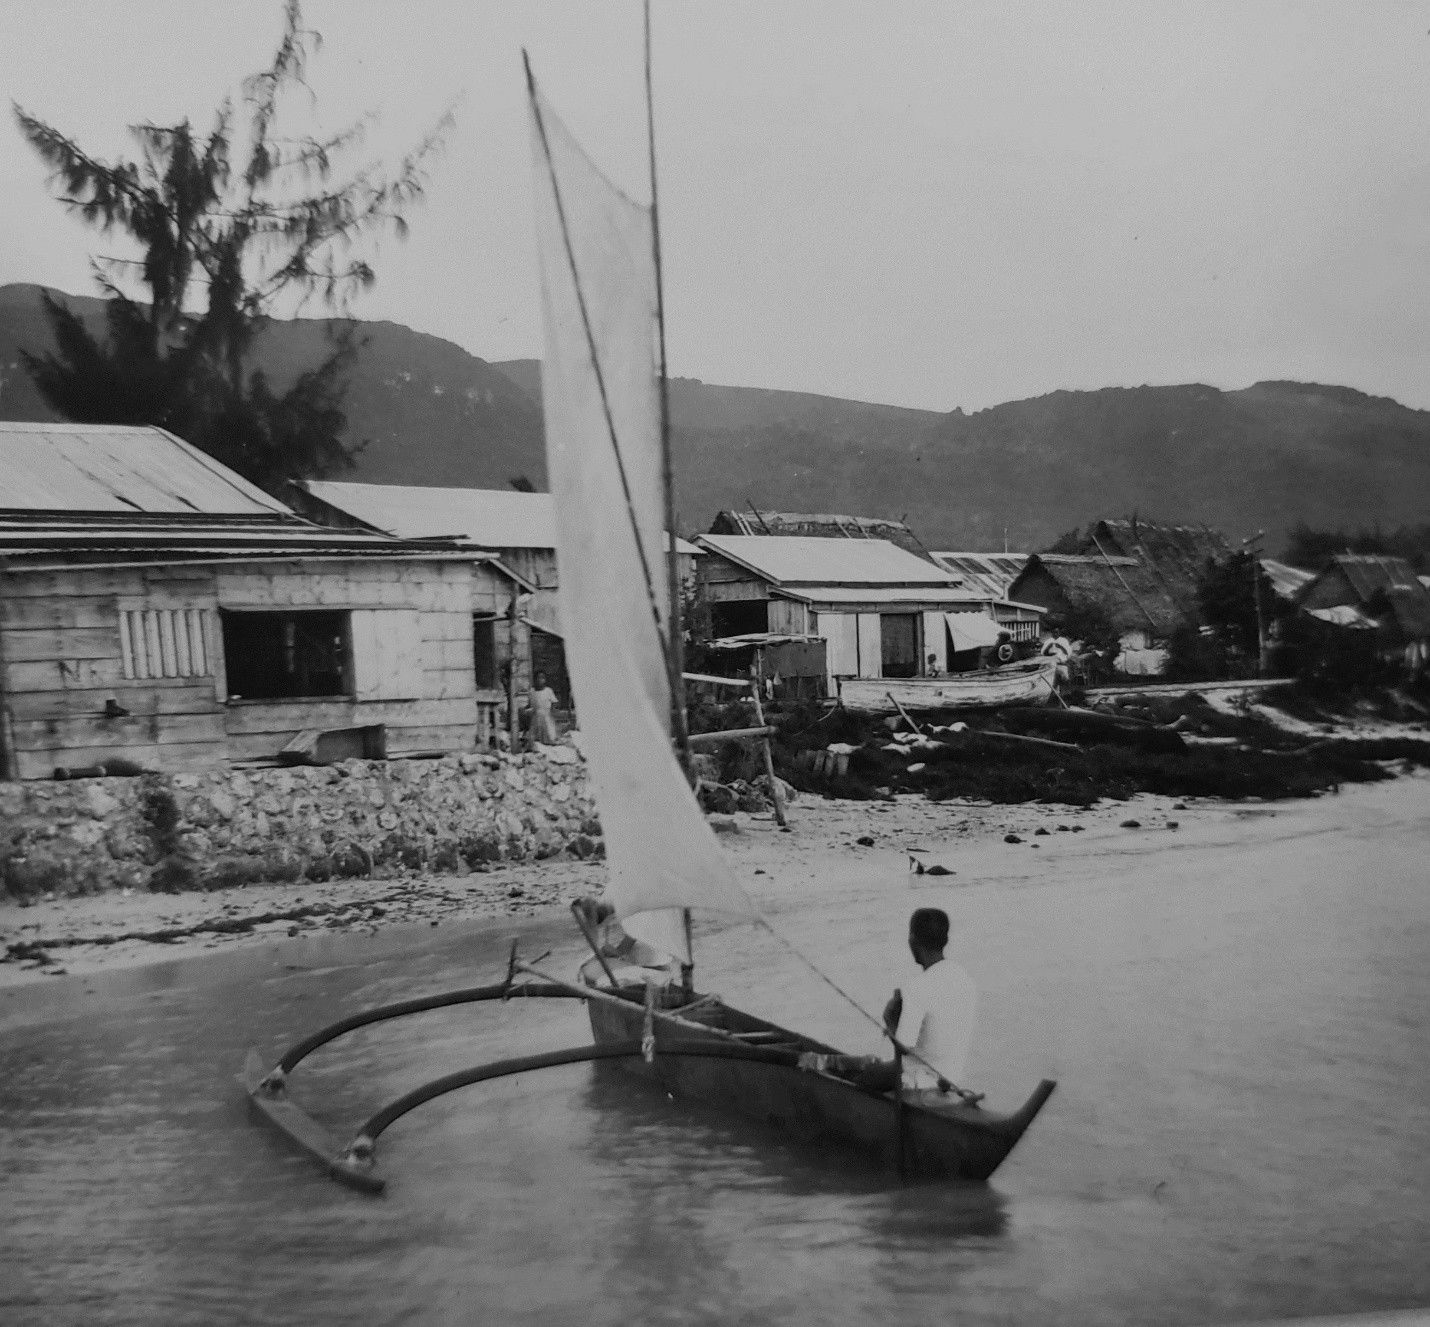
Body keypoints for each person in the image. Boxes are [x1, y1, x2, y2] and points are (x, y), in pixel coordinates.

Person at [882, 907, 977, 1099]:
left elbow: (904, 1048)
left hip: (915, 1085)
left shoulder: (916, 987)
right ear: (945, 940)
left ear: (912, 940)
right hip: (952, 1080)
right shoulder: (963, 978)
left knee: (865, 1076)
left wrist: (890, 1020)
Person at [572, 896, 680, 987]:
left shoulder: (634, 913)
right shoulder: (618, 913)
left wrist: (608, 951)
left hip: (653, 967)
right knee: (591, 966)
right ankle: (595, 997)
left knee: (593, 968)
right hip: (646, 964)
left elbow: (622, 950)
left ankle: (597, 998)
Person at [527, 671, 560, 746]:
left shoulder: (548, 690)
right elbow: (530, 703)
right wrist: (526, 709)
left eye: (542, 678)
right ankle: (537, 743)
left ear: (545, 680)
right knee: (535, 735)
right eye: (538, 678)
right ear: (534, 679)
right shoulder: (532, 691)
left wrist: (552, 710)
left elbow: (554, 701)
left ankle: (549, 742)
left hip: (546, 715)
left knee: (548, 733)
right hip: (536, 715)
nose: (539, 680)